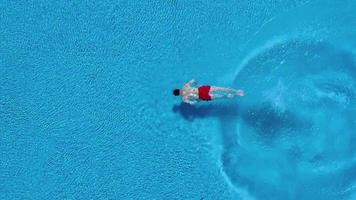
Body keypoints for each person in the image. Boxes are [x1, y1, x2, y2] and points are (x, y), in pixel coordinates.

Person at [173, 79, 244, 105]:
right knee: (220, 89)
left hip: (202, 96)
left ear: (178, 95)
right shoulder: (185, 86)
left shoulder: (184, 99)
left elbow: (193, 103)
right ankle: (237, 91)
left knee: (221, 96)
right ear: (178, 89)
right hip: (202, 89)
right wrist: (197, 85)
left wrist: (197, 100)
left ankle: (235, 96)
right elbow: (193, 80)